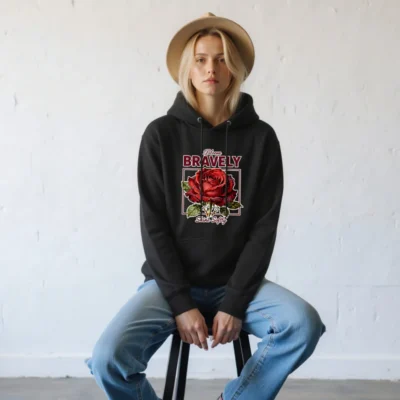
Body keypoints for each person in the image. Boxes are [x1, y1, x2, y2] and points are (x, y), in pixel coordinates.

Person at [85, 12, 326, 400]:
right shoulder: (160, 135)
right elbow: (154, 227)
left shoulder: (261, 139)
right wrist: (181, 303)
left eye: (221, 59)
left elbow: (263, 230)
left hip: (238, 285)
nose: (211, 68)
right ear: (188, 68)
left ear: (235, 68)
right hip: (169, 286)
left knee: (303, 325)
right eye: (201, 59)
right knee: (107, 359)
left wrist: (234, 301)